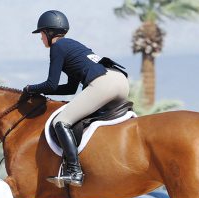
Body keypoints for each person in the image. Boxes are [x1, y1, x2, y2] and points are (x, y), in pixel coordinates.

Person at [23, 9, 130, 187]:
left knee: (61, 122)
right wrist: (42, 93)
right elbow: (71, 88)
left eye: (41, 33)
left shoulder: (57, 47)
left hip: (104, 83)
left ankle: (74, 171)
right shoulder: (73, 46)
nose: (41, 38)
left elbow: (50, 84)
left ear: (49, 33)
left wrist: (30, 89)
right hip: (121, 81)